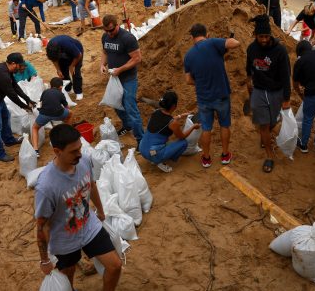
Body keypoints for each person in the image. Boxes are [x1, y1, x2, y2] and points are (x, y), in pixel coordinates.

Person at [35, 124, 121, 290]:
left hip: (89, 226)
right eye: (73, 151)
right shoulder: (46, 186)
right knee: (68, 277)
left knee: (115, 266)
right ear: (57, 151)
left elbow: (92, 184)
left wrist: (101, 211)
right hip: (64, 239)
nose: (79, 154)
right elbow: (42, 225)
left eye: (80, 148)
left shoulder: (84, 161)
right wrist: (44, 259)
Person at [184, 23, 241, 168]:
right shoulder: (213, 43)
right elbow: (235, 43)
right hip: (221, 94)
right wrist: (226, 43)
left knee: (207, 128)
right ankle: (225, 155)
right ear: (207, 34)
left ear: (192, 37)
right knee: (224, 125)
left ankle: (206, 157)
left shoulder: (188, 55)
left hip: (204, 98)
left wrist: (201, 81)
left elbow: (188, 80)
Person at [245, 16, 290, 172]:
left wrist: (286, 98)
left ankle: (266, 136)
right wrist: (248, 80)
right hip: (258, 90)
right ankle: (269, 156)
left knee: (273, 121)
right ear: (256, 36)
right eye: (260, 36)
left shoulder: (280, 51)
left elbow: (286, 75)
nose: (263, 40)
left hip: (276, 91)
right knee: (263, 124)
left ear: (270, 35)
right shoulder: (251, 49)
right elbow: (248, 67)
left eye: (266, 36)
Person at [101, 15, 144, 148]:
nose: (109, 33)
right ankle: (127, 125)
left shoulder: (127, 38)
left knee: (130, 107)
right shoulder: (105, 37)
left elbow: (137, 58)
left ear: (117, 25)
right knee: (116, 104)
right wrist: (102, 64)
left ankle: (140, 139)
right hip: (114, 78)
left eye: (111, 30)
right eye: (106, 31)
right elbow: (105, 51)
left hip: (128, 79)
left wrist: (120, 69)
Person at [139, 91, 200, 173]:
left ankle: (155, 158)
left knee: (164, 140)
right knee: (183, 143)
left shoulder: (156, 112)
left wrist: (181, 116)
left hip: (142, 147)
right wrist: (193, 127)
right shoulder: (172, 123)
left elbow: (167, 119)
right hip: (153, 153)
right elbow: (182, 136)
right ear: (174, 106)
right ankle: (160, 161)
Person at [31, 78, 73, 156]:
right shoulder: (61, 94)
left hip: (44, 115)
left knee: (35, 128)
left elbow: (41, 104)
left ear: (50, 85)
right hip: (58, 114)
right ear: (60, 87)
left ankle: (35, 150)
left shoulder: (45, 92)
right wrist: (64, 117)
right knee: (70, 113)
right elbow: (66, 107)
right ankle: (68, 133)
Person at [46, 35, 85, 100]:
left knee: (75, 72)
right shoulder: (50, 48)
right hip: (63, 55)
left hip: (76, 53)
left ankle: (78, 92)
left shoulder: (67, 45)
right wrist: (58, 70)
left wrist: (72, 66)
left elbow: (78, 55)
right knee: (63, 72)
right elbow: (54, 59)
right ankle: (68, 88)